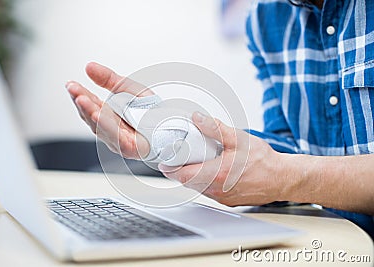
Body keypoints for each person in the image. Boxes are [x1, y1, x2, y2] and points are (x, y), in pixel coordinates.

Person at [66, 0, 374, 237]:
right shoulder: (266, 20)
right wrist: (172, 135)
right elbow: (290, 151)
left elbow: (288, 171)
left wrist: (287, 177)